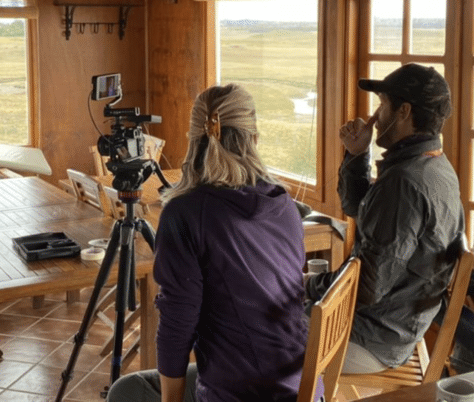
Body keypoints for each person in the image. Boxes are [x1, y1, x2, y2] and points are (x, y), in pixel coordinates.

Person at [107, 84, 319, 402]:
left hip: (245, 392)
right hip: (302, 385)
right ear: (254, 138)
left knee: (126, 392)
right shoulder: (284, 202)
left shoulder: (185, 213)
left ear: (193, 140)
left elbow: (178, 321)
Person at [305, 63, 463, 374]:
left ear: (404, 112)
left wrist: (309, 286)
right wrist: (356, 153)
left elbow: (366, 287)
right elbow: (357, 207)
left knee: (253, 330)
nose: (375, 118)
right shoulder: (435, 166)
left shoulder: (404, 182)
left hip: (372, 338)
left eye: (383, 104)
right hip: (399, 325)